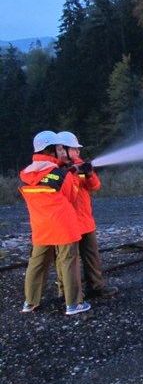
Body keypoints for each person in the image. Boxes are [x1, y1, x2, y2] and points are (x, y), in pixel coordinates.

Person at [19, 131, 91, 315]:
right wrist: (75, 175)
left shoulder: (26, 173)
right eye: (59, 148)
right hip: (63, 225)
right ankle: (74, 304)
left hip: (41, 226)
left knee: (37, 263)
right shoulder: (61, 174)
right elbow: (71, 197)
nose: (62, 151)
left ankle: (30, 302)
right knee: (68, 262)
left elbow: (44, 183)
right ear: (50, 150)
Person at [55, 131, 118, 298]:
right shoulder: (54, 170)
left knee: (92, 255)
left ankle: (97, 286)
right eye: (75, 149)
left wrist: (89, 174)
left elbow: (95, 186)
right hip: (66, 222)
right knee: (67, 259)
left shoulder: (80, 165)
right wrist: (70, 172)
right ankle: (67, 293)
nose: (78, 152)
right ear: (62, 150)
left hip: (85, 219)